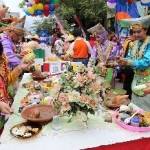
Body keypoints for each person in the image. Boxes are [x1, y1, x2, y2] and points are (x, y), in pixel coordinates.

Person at [118, 22, 150, 111]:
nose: (136, 34)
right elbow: (129, 58)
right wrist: (123, 61)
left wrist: (129, 62)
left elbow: (146, 62)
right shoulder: (133, 44)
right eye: (134, 32)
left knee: (146, 110)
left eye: (138, 31)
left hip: (148, 81)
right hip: (135, 80)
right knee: (135, 109)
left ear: (145, 30)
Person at [122, 30, 136, 99]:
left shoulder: (127, 41)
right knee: (129, 84)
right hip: (130, 66)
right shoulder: (131, 43)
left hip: (127, 65)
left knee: (127, 84)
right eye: (135, 33)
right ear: (132, 34)